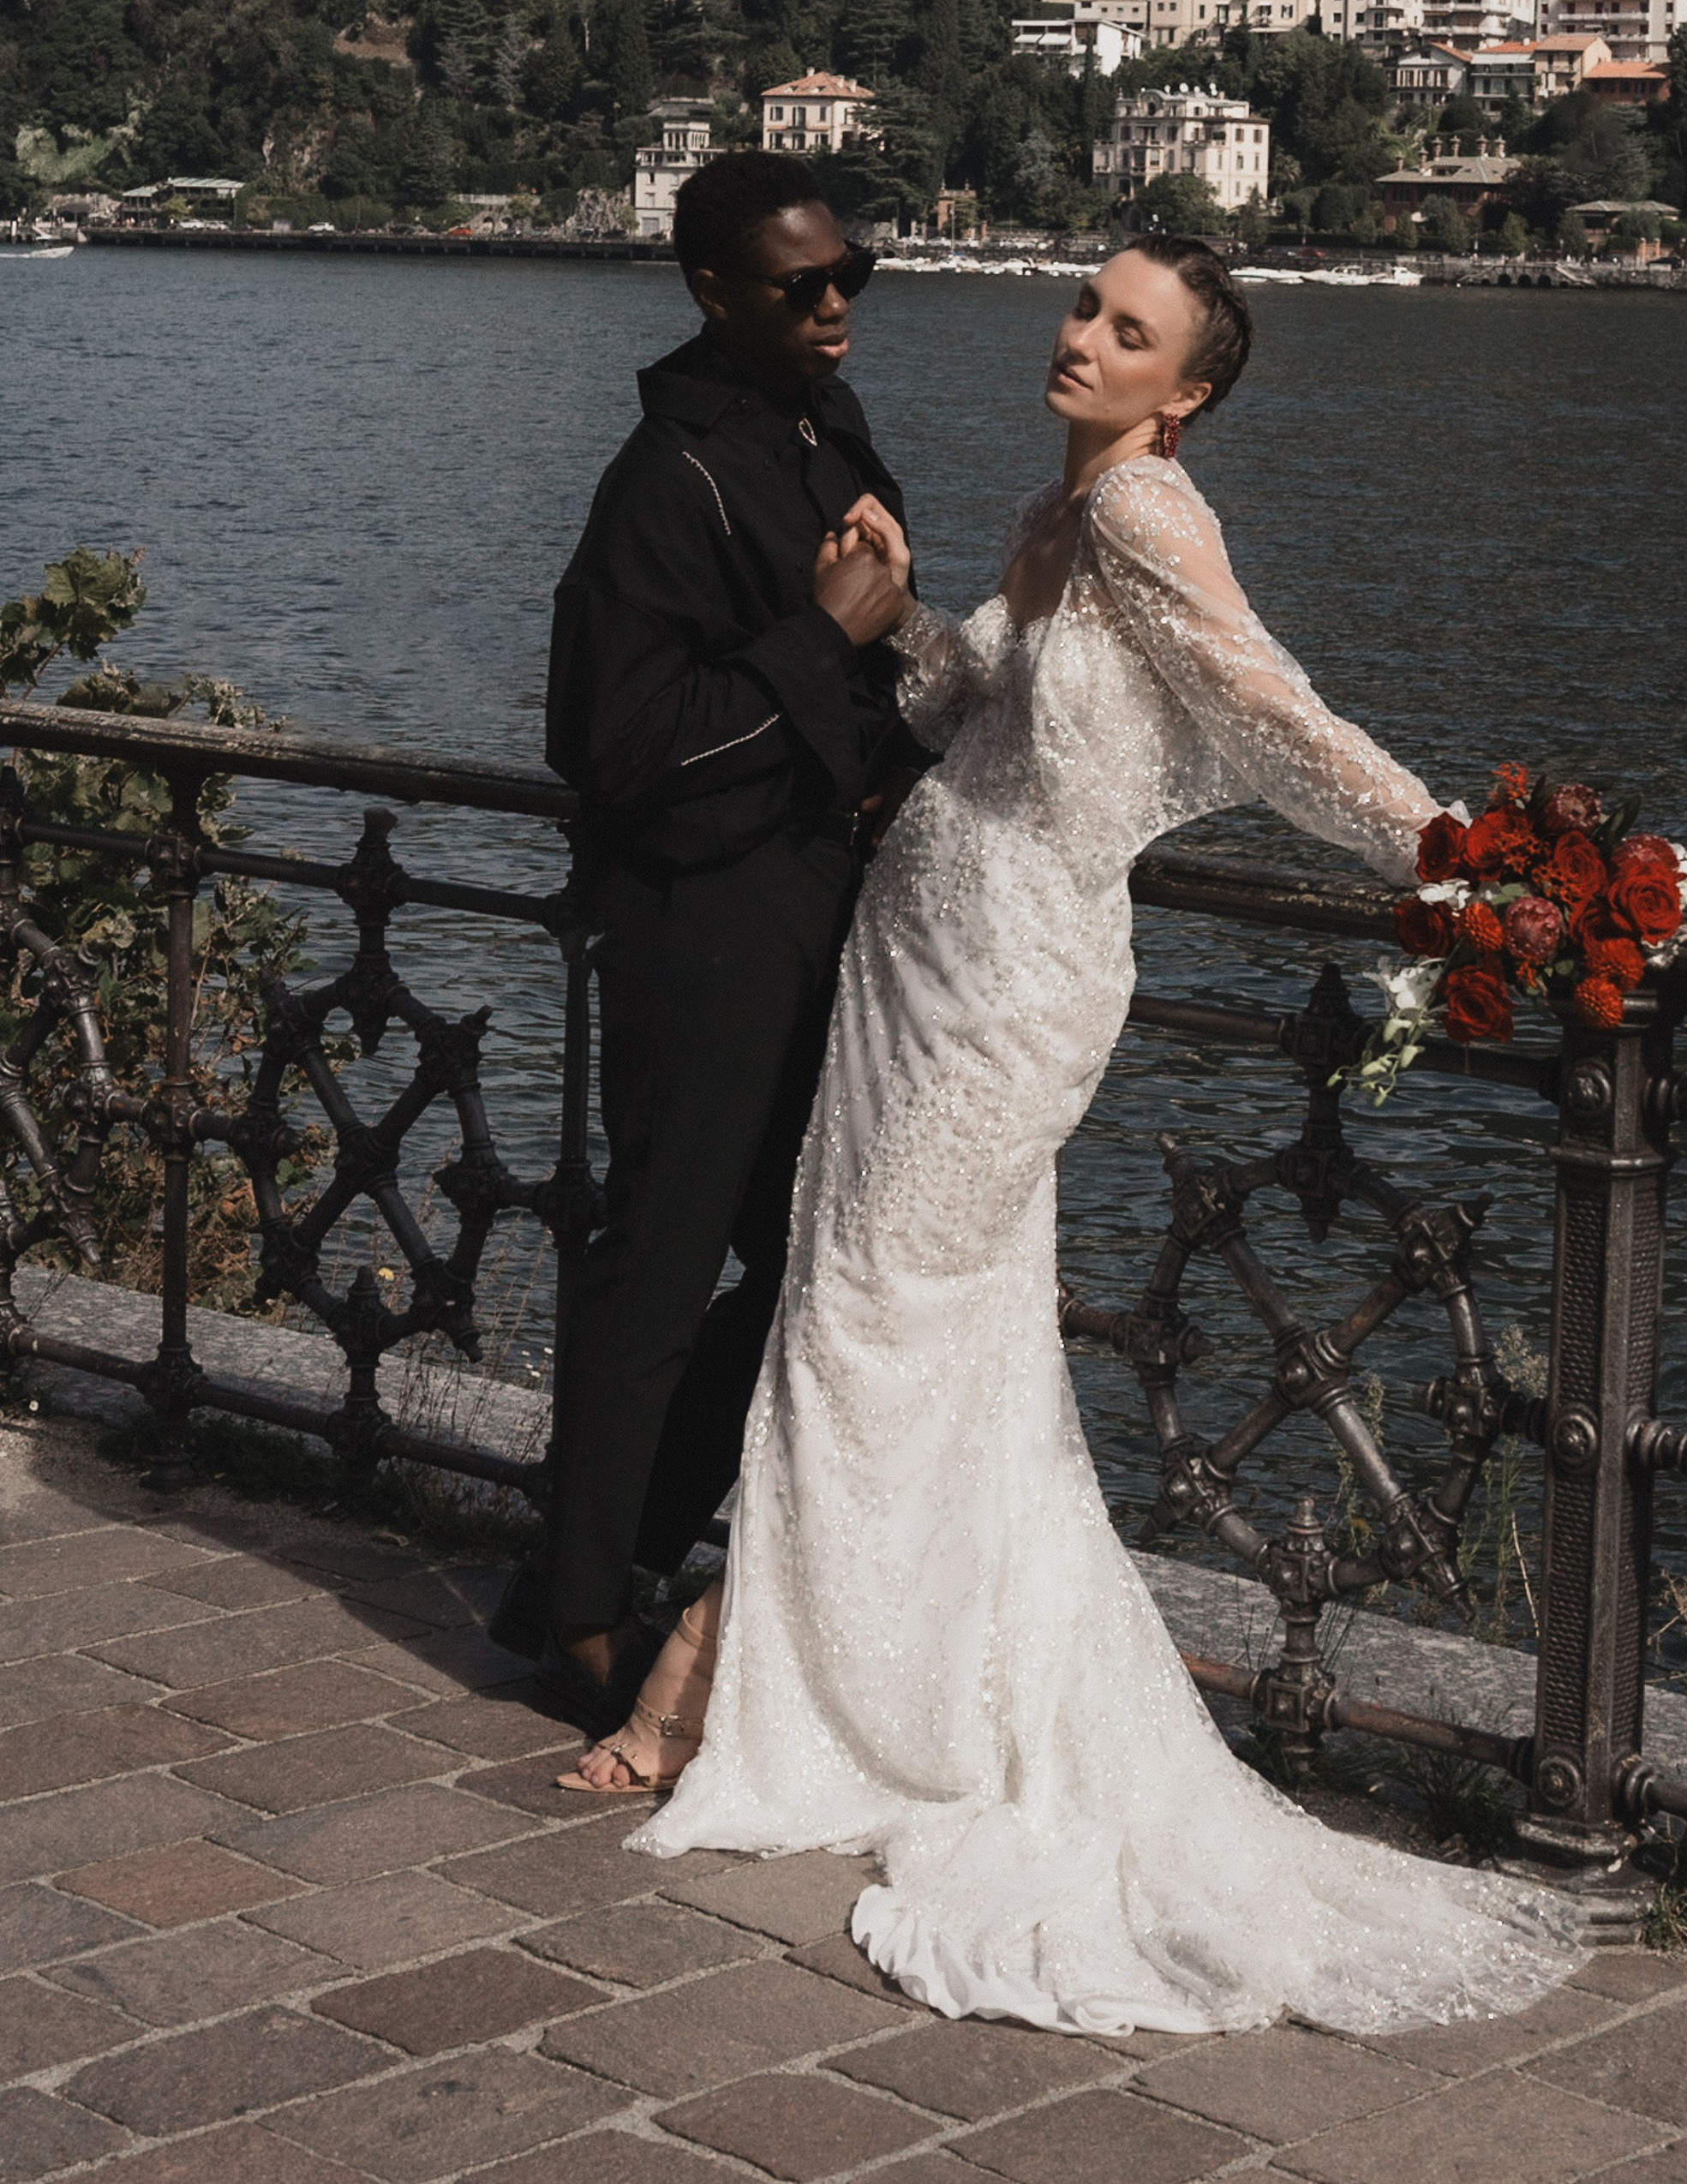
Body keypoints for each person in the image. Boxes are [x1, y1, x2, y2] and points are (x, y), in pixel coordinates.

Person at [567, 237, 1581, 2038]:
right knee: (894, 1319)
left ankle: (707, 1683)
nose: (1081, 340)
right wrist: (905, 613)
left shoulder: (1149, 519)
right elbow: (964, 717)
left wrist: (1454, 858)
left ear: (1181, 392)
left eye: (1128, 332)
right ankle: (863, 1686)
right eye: (1084, 309)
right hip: (916, 946)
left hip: (1013, 975)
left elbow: (1272, 715)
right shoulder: (1064, 512)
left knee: (865, 1305)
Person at [509, 153, 918, 1737]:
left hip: (810, 911)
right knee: (663, 1266)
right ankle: (586, 1621)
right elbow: (611, 746)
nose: (832, 309)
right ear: (709, 292)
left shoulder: (822, 430)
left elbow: (860, 671)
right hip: (697, 923)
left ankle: (583, 1569)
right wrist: (825, 638)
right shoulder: (663, 479)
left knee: (822, 1253)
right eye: (796, 288)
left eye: (848, 281)